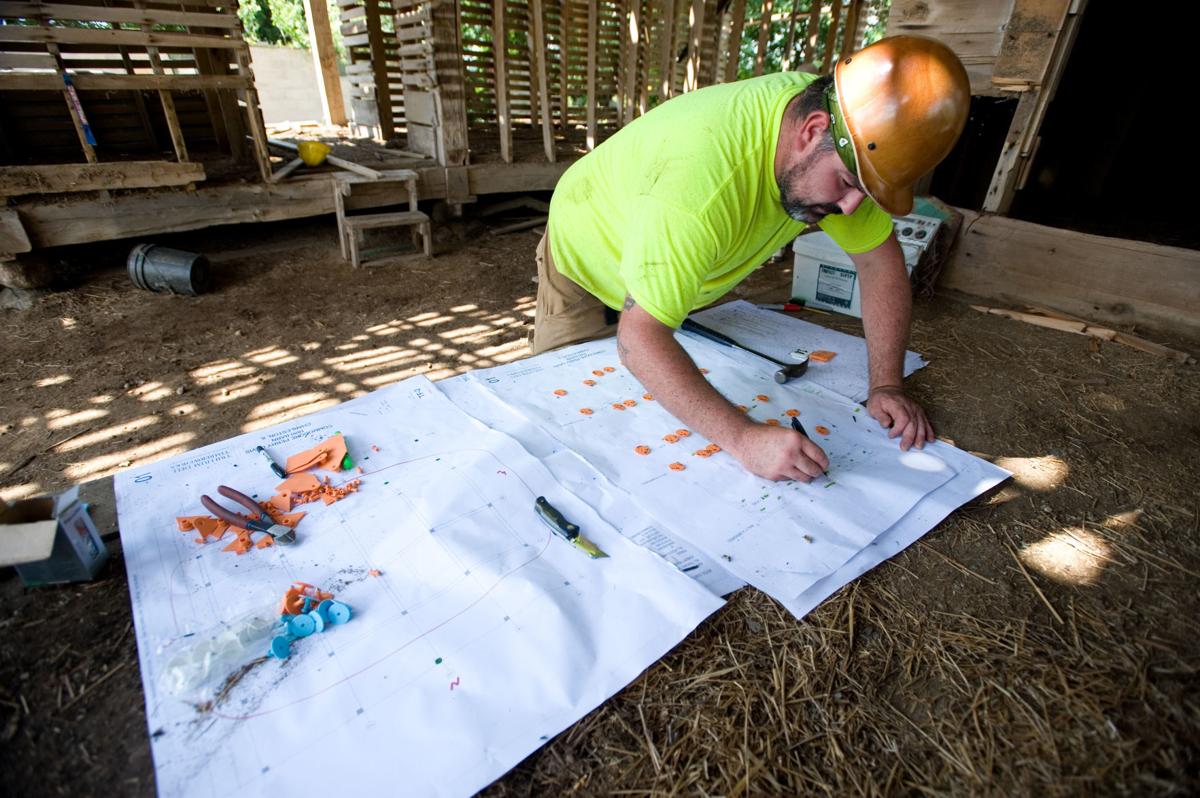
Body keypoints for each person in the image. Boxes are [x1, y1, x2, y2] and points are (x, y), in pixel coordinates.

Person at [531, 35, 969, 482]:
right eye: (845, 182)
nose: (853, 207)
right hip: (587, 251)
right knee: (572, 421)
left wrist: (887, 385)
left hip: (663, 237)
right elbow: (639, 339)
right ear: (812, 129)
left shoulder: (845, 127)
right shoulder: (702, 189)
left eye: (866, 190)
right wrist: (743, 438)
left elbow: (880, 261)